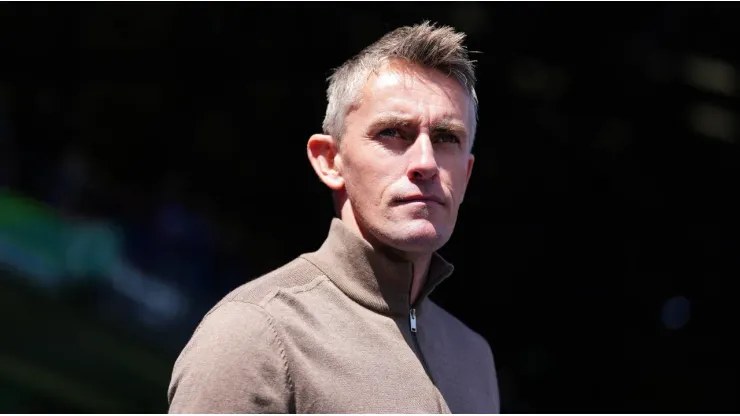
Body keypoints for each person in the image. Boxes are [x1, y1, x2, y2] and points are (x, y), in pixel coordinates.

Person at [168, 21, 500, 414]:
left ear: (466, 175)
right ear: (330, 161)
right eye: (393, 132)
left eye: (446, 138)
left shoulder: (474, 359)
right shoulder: (258, 333)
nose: (426, 162)